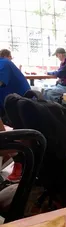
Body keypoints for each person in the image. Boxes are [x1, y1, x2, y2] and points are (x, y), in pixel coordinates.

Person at [0, 54, 30, 182]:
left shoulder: (3, 64)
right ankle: (8, 157)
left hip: (22, 108)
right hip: (6, 108)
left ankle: (17, 159)